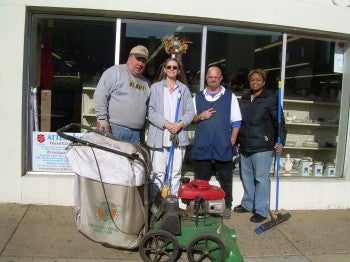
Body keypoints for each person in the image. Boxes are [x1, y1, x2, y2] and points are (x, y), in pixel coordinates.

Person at [234, 68, 287, 223]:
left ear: (263, 82)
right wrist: (237, 140)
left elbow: (279, 123)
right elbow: (239, 122)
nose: (254, 82)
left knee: (261, 178)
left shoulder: (271, 98)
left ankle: (261, 210)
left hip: (263, 145)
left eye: (258, 79)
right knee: (247, 177)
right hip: (245, 144)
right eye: (252, 80)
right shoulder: (244, 98)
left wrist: (280, 140)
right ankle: (248, 204)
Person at [191, 66, 242, 219]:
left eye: (216, 77)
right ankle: (199, 207)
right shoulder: (197, 97)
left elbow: (237, 120)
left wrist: (232, 140)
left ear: (220, 79)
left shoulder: (229, 96)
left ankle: (227, 205)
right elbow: (191, 118)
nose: (213, 79)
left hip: (222, 145)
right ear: (206, 77)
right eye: (210, 77)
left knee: (225, 179)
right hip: (203, 145)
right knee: (200, 181)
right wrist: (201, 116)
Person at [147, 57, 195, 198]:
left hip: (177, 137)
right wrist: (166, 124)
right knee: (158, 173)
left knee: (175, 173)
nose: (172, 69)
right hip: (159, 137)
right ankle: (156, 203)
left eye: (175, 67)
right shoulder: (155, 88)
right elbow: (150, 111)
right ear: (164, 69)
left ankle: (171, 205)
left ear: (179, 71)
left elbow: (190, 112)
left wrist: (180, 124)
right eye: (169, 67)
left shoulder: (184, 89)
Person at [93, 45, 150, 144]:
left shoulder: (146, 83)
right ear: (129, 58)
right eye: (138, 59)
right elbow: (100, 95)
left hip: (136, 134)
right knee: (111, 159)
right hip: (113, 129)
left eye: (143, 61)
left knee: (131, 160)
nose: (140, 63)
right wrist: (102, 119)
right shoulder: (115, 72)